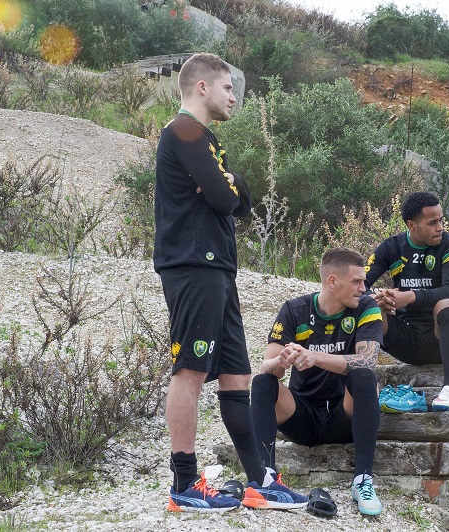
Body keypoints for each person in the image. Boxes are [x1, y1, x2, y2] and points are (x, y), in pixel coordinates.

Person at [154, 52, 305, 513]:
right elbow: (223, 196)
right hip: (192, 266)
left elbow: (239, 196)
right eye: (227, 88)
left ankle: (259, 480)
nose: (234, 97)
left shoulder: (206, 140)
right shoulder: (184, 132)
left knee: (238, 374)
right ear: (202, 87)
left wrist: (229, 185)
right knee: (191, 370)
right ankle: (184, 483)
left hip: (219, 268)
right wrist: (226, 188)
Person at [250, 248, 385, 516]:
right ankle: (264, 478)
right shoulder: (294, 310)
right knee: (262, 382)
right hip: (303, 417)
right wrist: (282, 362)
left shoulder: (367, 307)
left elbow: (368, 361)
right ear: (332, 281)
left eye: (364, 281)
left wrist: (315, 357)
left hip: (343, 416)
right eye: (357, 281)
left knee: (364, 376)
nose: (364, 287)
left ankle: (363, 481)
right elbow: (267, 366)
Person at [365, 191, 449, 412]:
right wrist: (379, 299)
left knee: (447, 304)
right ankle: (363, 387)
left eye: (441, 220)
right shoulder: (391, 247)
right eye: (432, 222)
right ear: (412, 225)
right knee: (369, 307)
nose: (440, 227)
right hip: (407, 339)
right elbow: (358, 285)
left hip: (444, 336)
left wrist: (411, 296)